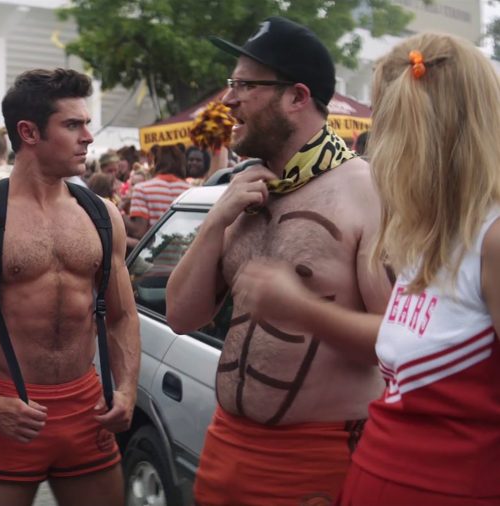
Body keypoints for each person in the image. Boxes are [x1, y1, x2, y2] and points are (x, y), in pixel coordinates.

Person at [235, 32, 500, 506]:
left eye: (391, 127)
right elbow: (404, 375)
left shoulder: (492, 238)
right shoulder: (427, 236)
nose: (376, 147)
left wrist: (301, 308)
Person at [166, 17, 392, 505]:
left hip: (320, 460)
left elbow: (402, 348)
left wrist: (303, 309)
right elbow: (181, 316)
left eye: (244, 85)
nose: (227, 100)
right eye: (231, 84)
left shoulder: (366, 193)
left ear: (296, 97)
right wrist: (215, 220)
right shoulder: (244, 188)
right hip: (224, 444)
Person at [0, 68, 140, 506]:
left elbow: (121, 315)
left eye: (86, 124)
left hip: (88, 407)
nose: (88, 137)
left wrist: (128, 387)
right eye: (73, 124)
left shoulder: (102, 215)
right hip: (9, 411)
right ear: (29, 132)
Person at [125, 145, 191, 240]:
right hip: (185, 250)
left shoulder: (142, 189)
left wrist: (120, 216)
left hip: (154, 252)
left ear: (156, 163)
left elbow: (139, 231)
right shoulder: (191, 191)